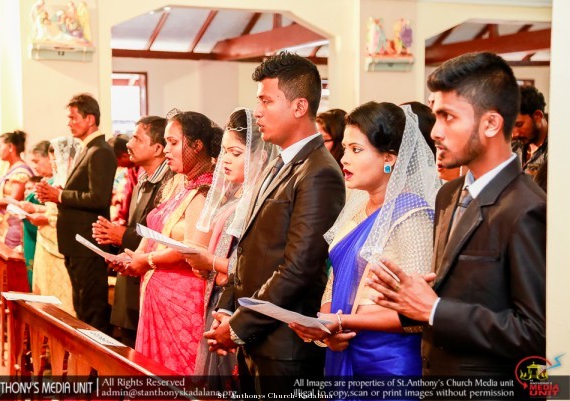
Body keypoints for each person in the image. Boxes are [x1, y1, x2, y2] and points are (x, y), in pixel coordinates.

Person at [368, 52, 546, 378]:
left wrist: (435, 309)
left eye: (448, 117)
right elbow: (450, 291)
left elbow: (536, 332)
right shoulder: (448, 194)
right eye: (435, 116)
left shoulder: (527, 208)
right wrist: (407, 299)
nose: (435, 132)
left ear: (490, 123)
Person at [207, 52, 346, 396]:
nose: (257, 112)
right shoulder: (278, 163)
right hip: (258, 337)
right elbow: (248, 248)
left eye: (266, 101)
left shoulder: (319, 172)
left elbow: (298, 267)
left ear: (299, 106)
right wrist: (227, 307)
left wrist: (238, 326)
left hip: (286, 348)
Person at [288, 103, 440, 390]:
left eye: (356, 150)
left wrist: (341, 322)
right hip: (344, 348)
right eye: (345, 148)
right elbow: (335, 280)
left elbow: (416, 312)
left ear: (389, 158)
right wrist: (327, 327)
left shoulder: (412, 215)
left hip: (387, 363)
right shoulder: (356, 211)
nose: (344, 158)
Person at [111, 111, 222, 375]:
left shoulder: (206, 191)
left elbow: (194, 249)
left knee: (177, 375)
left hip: (183, 300)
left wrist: (146, 261)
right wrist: (134, 255)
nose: (167, 150)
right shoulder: (178, 183)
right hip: (156, 294)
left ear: (197, 146)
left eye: (173, 143)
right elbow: (153, 227)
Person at [186, 108, 277, 389]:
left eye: (235, 153)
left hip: (240, 302)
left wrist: (211, 263)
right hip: (219, 298)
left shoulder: (261, 202)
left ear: (260, 157)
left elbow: (256, 264)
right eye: (224, 151)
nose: (225, 159)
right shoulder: (237, 195)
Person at [35, 93, 117, 333]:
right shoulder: (88, 148)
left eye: (73, 118)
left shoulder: (100, 150)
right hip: (76, 242)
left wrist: (60, 196)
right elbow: (83, 192)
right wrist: (57, 192)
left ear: (90, 119)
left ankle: (96, 356)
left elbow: (98, 198)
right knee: (82, 306)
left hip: (87, 242)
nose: (69, 123)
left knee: (92, 309)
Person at [92, 116, 172, 348]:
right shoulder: (141, 181)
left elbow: (163, 237)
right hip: (130, 282)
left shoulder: (170, 184)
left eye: (137, 138)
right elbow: (136, 226)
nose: (128, 144)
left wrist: (122, 235)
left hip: (153, 285)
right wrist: (113, 237)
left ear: (157, 148)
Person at [25, 137, 81, 316]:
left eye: (56, 159)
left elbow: (71, 217)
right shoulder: (57, 179)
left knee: (62, 296)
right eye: (52, 160)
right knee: (45, 291)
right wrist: (37, 210)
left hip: (60, 245)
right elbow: (52, 211)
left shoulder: (74, 183)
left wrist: (45, 219)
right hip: (45, 243)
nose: (54, 164)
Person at [22, 140, 53, 289]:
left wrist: (33, 208)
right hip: (33, 233)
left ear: (49, 157)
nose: (34, 166)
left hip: (47, 235)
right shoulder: (45, 180)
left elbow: (55, 211)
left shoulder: (57, 182)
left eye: (36, 161)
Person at [512, 85, 548, 191]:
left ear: (538, 116)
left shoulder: (559, 152)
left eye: (519, 125)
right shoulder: (512, 148)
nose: (514, 134)